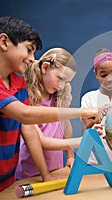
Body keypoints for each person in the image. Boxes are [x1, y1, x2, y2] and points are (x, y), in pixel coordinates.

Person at [0, 16, 100, 195]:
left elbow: (29, 129)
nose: (32, 59)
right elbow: (26, 115)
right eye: (29, 50)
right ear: (4, 41)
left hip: (6, 180)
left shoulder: (18, 82)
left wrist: (48, 173)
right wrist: (82, 115)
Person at [15, 48, 80, 181]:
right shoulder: (26, 99)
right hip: (30, 174)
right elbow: (41, 142)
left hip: (56, 169)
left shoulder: (59, 97)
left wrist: (70, 156)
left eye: (66, 82)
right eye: (60, 79)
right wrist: (81, 141)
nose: (62, 86)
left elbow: (66, 126)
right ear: (45, 67)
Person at [81, 48, 112, 164]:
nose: (109, 79)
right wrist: (97, 116)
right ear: (96, 74)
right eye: (103, 75)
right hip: (95, 162)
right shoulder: (88, 98)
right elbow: (86, 129)